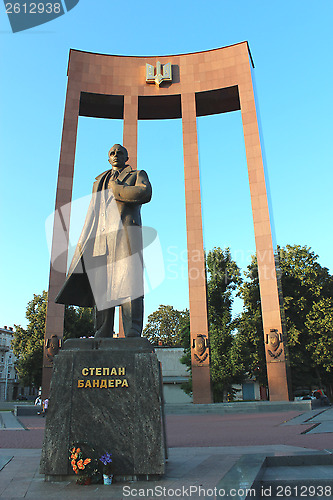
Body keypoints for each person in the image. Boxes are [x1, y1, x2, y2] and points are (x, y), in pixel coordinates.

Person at [56, 144, 152, 338]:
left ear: (127, 157)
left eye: (120, 152)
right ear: (108, 158)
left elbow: (144, 192)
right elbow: (93, 209)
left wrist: (118, 189)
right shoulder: (99, 181)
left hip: (125, 235)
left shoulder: (137, 174)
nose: (116, 155)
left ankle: (132, 329)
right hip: (101, 237)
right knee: (103, 284)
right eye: (112, 153)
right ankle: (103, 329)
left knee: (130, 282)